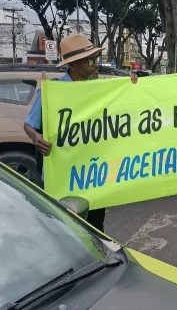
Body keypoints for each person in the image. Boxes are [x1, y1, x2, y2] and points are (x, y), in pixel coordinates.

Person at [23, 34, 139, 232]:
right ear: (74, 65)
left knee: (95, 227)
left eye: (96, 59)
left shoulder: (99, 89)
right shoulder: (54, 92)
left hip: (94, 177)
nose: (96, 64)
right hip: (64, 177)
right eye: (91, 60)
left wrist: (132, 87)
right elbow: (28, 125)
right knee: (66, 229)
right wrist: (37, 138)